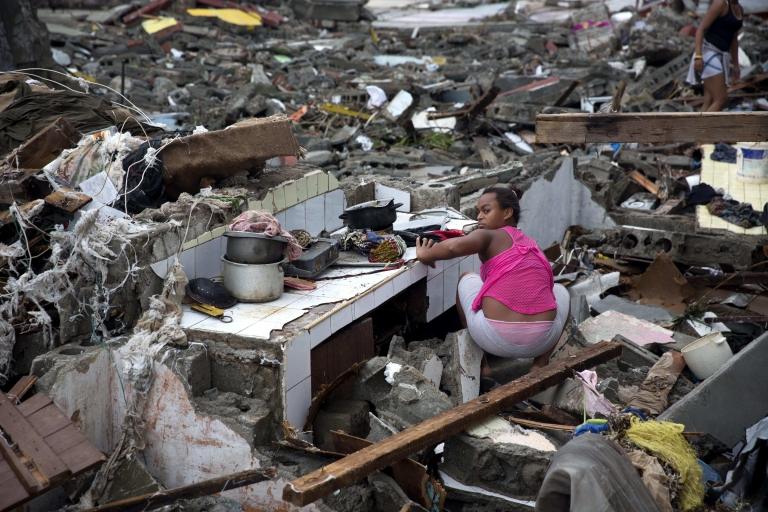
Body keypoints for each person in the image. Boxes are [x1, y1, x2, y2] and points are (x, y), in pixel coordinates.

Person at [415, 185, 569, 370]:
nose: (479, 216)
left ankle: (482, 364)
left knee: (466, 278)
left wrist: (427, 254)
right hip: (542, 340)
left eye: (486, 211)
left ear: (507, 213)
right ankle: (540, 363)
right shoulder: (529, 243)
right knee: (561, 291)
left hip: (494, 338)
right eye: (478, 211)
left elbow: (451, 247)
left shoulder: (487, 235)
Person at [686, 0, 743, 112]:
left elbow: (734, 39)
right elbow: (700, 30)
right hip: (708, 53)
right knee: (721, 99)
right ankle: (703, 129)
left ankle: (696, 128)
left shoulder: (739, 9)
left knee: (710, 100)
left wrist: (736, 65)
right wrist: (698, 56)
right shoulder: (721, 3)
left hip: (721, 56)